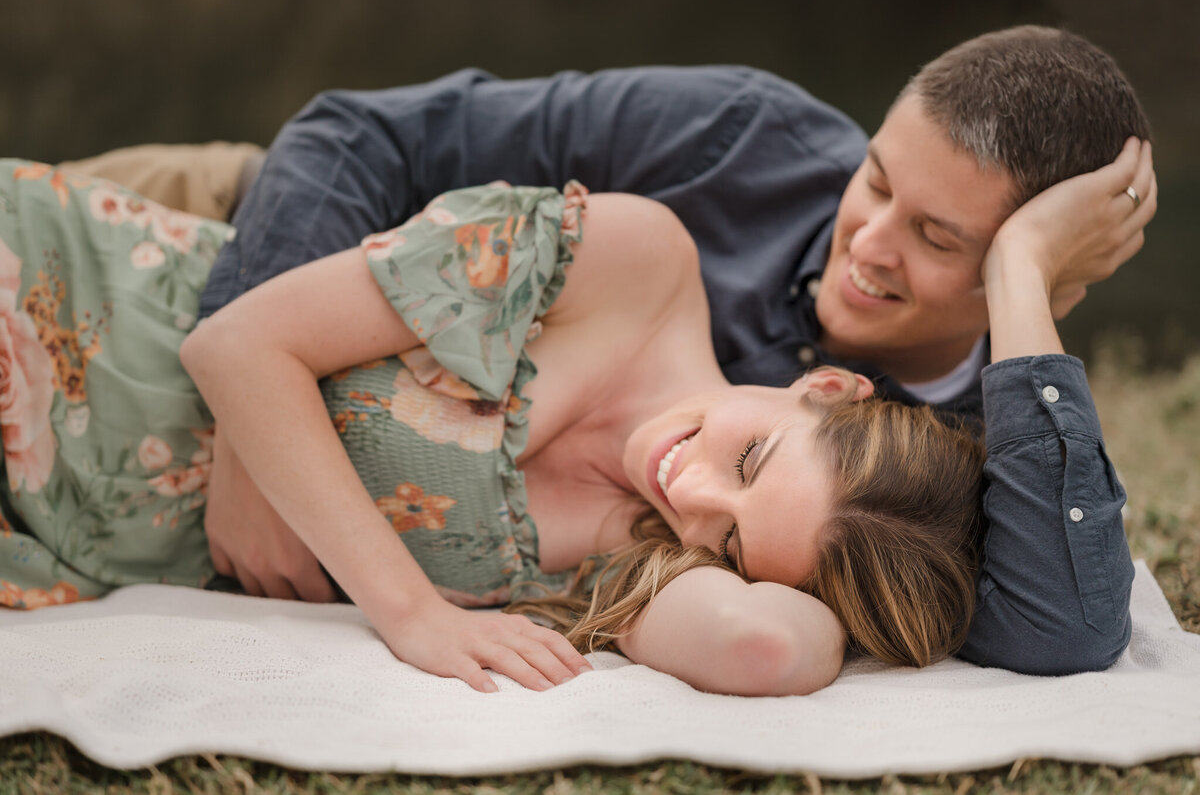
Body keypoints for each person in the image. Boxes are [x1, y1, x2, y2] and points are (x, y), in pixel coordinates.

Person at [174, 25, 1154, 677]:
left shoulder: (945, 464)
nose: (867, 243)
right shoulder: (741, 136)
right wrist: (237, 427)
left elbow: (1062, 625)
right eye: (877, 178)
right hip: (252, 223)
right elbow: (361, 134)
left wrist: (1024, 278)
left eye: (941, 239)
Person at [0, 159, 988, 696]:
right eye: (750, 458)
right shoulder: (632, 266)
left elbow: (768, 649)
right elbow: (237, 346)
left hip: (51, 522)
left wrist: (799, 576)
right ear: (824, 388)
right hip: (68, 308)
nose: (688, 496)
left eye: (731, 539)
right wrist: (412, 612)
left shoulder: (643, 557)